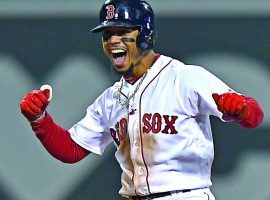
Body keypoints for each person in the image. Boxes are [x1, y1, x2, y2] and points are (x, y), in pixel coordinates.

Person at [19, 0, 264, 199]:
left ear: (145, 34)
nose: (112, 40)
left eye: (122, 31)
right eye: (107, 34)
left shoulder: (185, 78)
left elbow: (254, 116)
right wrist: (39, 119)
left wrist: (241, 110)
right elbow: (71, 149)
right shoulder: (110, 99)